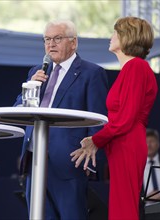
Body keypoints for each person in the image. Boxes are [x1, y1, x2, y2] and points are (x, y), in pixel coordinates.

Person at [13, 20, 108, 219]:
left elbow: (99, 119)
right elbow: (17, 109)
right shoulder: (36, 72)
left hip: (69, 163)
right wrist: (31, 86)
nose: (51, 44)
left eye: (57, 38)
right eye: (47, 39)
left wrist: (91, 160)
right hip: (34, 159)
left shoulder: (91, 73)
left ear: (74, 43)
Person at [70, 16, 158, 220]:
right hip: (121, 143)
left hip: (127, 143)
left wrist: (96, 140)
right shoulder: (130, 69)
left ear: (127, 37)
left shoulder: (136, 67)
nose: (111, 37)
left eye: (116, 33)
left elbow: (126, 118)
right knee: (120, 207)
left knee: (124, 209)